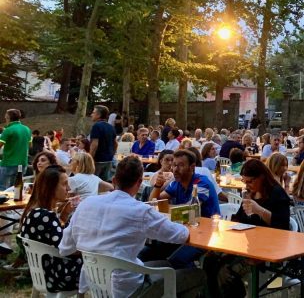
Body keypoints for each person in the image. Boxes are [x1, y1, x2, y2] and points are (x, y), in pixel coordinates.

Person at [60, 157, 205, 297]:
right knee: (198, 274)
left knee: (166, 263)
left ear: (114, 180)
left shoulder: (86, 204)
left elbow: (65, 248)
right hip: (128, 289)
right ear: (139, 182)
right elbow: (181, 236)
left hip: (94, 284)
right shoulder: (140, 211)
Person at [203, 159, 291, 297]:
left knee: (226, 270)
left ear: (262, 177)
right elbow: (238, 218)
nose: (247, 185)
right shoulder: (250, 194)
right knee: (210, 260)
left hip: (268, 248)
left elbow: (282, 226)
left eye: (250, 182)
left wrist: (260, 210)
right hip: (246, 244)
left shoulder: (277, 193)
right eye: (245, 182)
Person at [19, 165, 82, 293]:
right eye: (64, 184)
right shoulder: (46, 216)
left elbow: (54, 239)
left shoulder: (34, 211)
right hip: (60, 276)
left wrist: (64, 214)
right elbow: (66, 248)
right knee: (100, 266)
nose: (68, 189)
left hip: (42, 274)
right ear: (51, 187)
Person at [150, 149, 220, 217]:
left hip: (209, 226)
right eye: (174, 165)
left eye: (181, 165)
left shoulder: (202, 183)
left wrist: (166, 207)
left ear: (192, 167)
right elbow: (152, 202)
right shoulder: (175, 183)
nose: (175, 170)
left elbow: (191, 209)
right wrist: (158, 186)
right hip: (187, 224)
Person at [0, 108, 32, 188]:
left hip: (8, 163)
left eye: (6, 117)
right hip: (23, 163)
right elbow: (30, 145)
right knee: (16, 189)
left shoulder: (8, 130)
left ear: (8, 117)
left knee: (2, 188)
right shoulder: (27, 129)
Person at [89, 104, 117, 181]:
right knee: (104, 184)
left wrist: (90, 159)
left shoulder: (96, 126)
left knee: (94, 183)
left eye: (93, 112)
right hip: (108, 160)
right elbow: (115, 143)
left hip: (98, 160)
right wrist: (111, 154)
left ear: (98, 115)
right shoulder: (111, 127)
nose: (91, 114)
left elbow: (94, 144)